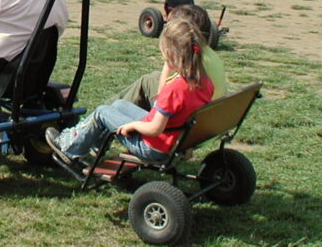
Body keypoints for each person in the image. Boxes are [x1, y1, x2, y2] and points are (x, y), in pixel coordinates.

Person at [45, 18, 214, 165]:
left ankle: (69, 146)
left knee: (102, 112)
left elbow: (154, 129)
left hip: (153, 147)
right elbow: (161, 98)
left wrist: (132, 125)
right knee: (119, 105)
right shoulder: (204, 83)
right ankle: (96, 144)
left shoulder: (175, 90)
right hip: (172, 139)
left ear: (169, 53)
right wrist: (168, 66)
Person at [107, 4, 227, 110]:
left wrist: (168, 61)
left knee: (145, 82)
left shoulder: (187, 62)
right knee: (153, 77)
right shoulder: (208, 54)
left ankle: (105, 112)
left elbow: (163, 97)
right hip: (208, 113)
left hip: (184, 116)